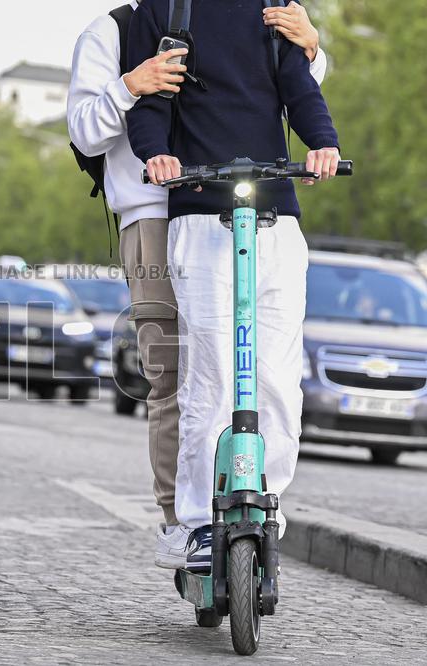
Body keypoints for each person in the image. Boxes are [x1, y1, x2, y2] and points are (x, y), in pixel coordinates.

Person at [67, 0, 327, 569]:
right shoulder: (111, 30)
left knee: (251, 369)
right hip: (154, 216)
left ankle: (249, 504)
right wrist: (129, 86)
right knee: (176, 374)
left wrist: (309, 45)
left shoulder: (230, 11)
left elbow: (273, 82)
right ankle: (180, 522)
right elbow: (84, 134)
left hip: (233, 205)